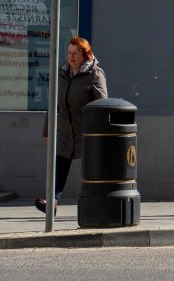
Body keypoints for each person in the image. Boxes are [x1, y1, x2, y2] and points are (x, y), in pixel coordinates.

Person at [37, 36, 108, 213]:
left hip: (86, 132)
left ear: (85, 55)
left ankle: (97, 203)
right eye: (69, 53)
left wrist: (102, 133)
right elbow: (53, 104)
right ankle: (51, 202)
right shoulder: (61, 74)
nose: (71, 57)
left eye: (76, 53)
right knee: (59, 166)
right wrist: (47, 129)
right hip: (64, 130)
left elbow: (102, 106)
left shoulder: (95, 75)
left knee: (92, 169)